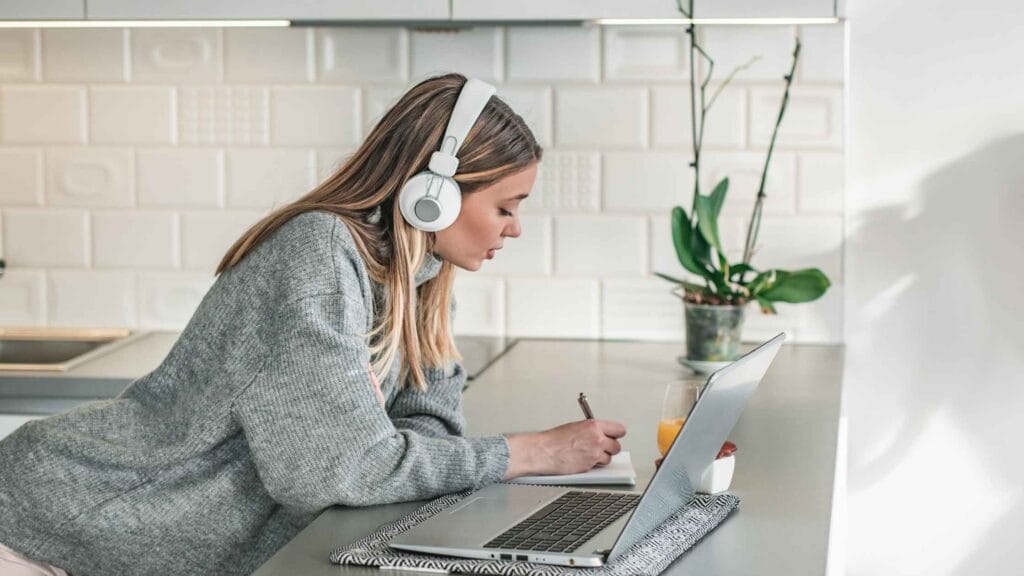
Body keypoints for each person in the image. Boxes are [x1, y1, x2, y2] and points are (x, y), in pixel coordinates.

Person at [0, 74, 626, 576]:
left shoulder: (418, 280)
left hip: (129, 537)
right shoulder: (319, 256)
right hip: (59, 523)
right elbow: (340, 470)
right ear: (431, 192)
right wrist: (529, 452)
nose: (515, 228)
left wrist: (403, 445)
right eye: (506, 207)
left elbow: (422, 432)